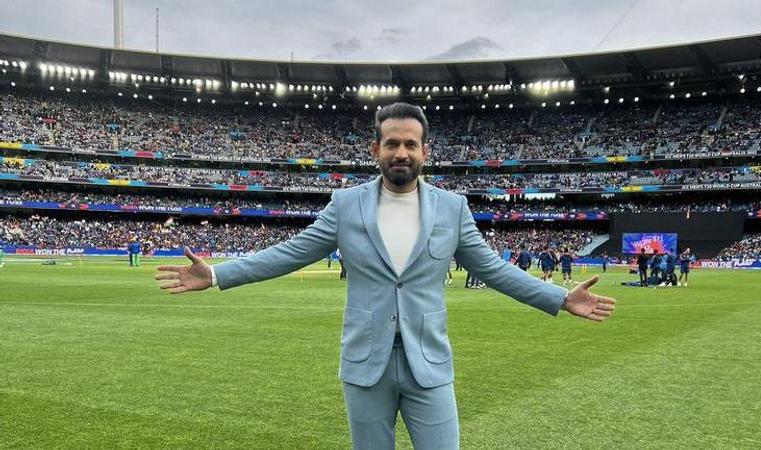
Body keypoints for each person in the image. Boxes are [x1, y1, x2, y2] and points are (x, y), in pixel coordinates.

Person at [154, 102, 616, 450]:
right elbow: (291, 253)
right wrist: (217, 274)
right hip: (365, 367)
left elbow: (492, 268)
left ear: (424, 152)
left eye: (410, 144)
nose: (401, 152)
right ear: (376, 149)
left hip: (428, 366)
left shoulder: (453, 210)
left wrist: (557, 297)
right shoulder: (345, 205)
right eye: (391, 143)